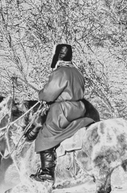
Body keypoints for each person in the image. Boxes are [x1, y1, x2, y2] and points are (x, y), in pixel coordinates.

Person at [31, 43, 98, 182]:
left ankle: (47, 171)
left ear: (57, 55)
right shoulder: (77, 72)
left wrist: (41, 94)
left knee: (45, 134)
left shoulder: (60, 72)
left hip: (63, 110)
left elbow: (49, 95)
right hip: (80, 107)